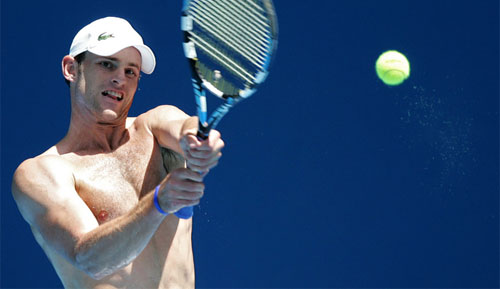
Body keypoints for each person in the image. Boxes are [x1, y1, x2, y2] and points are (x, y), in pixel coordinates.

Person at [11, 17, 224, 289]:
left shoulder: (154, 129)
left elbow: (184, 127)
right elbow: (90, 260)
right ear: (71, 68)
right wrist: (158, 202)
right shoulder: (41, 173)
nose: (119, 79)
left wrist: (200, 143)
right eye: (107, 64)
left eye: (131, 72)